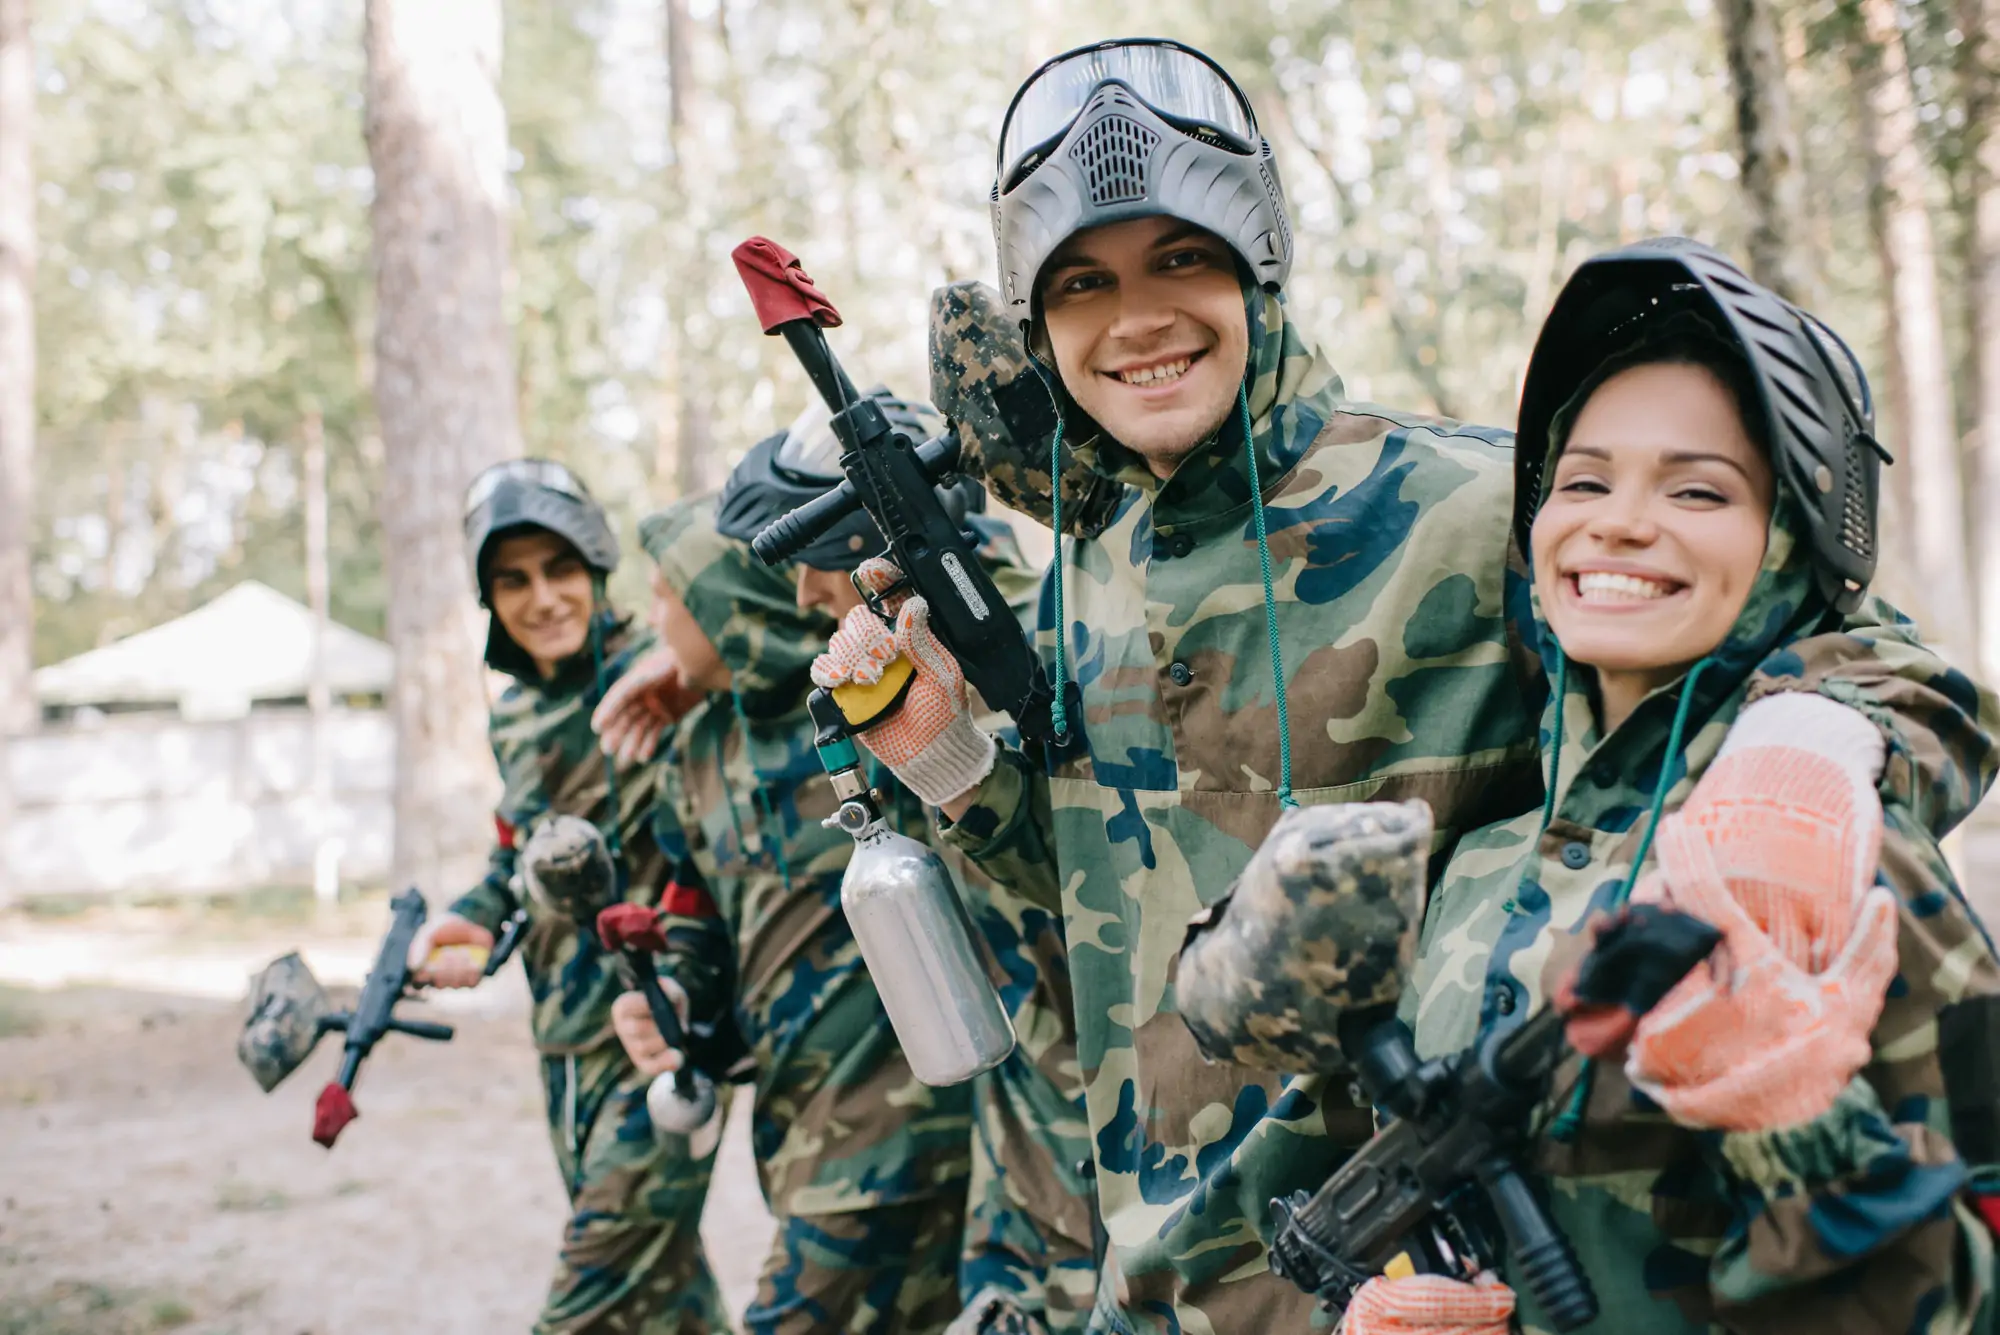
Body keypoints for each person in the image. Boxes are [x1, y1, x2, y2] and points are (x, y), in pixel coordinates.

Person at [810, 41, 1993, 1332]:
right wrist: (947, 761)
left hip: (1408, 1285)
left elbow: (1868, 655)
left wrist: (1802, 757)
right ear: (1039, 324)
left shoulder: (1483, 507)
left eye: (1182, 259)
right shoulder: (1092, 569)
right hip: (1150, 1284)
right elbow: (1123, 894)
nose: (1137, 317)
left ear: (1259, 261)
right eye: (1084, 283)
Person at [1336, 242, 2000, 1333]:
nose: (1616, 521)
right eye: (1582, 480)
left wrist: (1796, 1131)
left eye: (1696, 489)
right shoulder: (1475, 862)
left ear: (1785, 542)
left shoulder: (1817, 848)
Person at [714, 384, 1099, 1335]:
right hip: (1010, 1181)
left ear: (871, 542)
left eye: (812, 560)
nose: (801, 593)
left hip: (1100, 1180)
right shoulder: (902, 661)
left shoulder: (1037, 652)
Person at [613, 485, 974, 1334]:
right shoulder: (694, 752)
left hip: (902, 1139)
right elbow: (693, 920)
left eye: (669, 594)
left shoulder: (866, 701)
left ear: (724, 602)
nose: (653, 619)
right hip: (797, 1140)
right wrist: (670, 1001)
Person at [406, 459, 724, 1334]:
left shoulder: (666, 672)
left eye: (559, 569)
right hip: (566, 1044)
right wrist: (472, 915)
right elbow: (515, 849)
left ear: (594, 568)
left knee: (595, 1287)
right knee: (667, 1281)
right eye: (511, 580)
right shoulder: (513, 713)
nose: (540, 598)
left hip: (659, 1030)